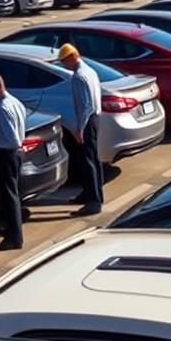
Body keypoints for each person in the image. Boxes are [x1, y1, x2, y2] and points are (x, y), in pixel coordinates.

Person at [58, 43, 104, 216]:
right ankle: (93, 193)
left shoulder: (79, 76)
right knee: (93, 157)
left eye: (64, 61)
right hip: (95, 118)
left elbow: (85, 105)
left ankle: (93, 201)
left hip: (87, 120)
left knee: (88, 161)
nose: (64, 65)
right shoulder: (90, 71)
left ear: (72, 57)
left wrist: (79, 128)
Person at [0, 73, 27, 251]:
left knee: (10, 197)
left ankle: (14, 238)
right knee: (12, 193)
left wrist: (8, 143)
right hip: (16, 153)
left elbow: (11, 136)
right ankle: (11, 230)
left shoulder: (3, 107)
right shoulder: (14, 101)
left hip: (8, 153)